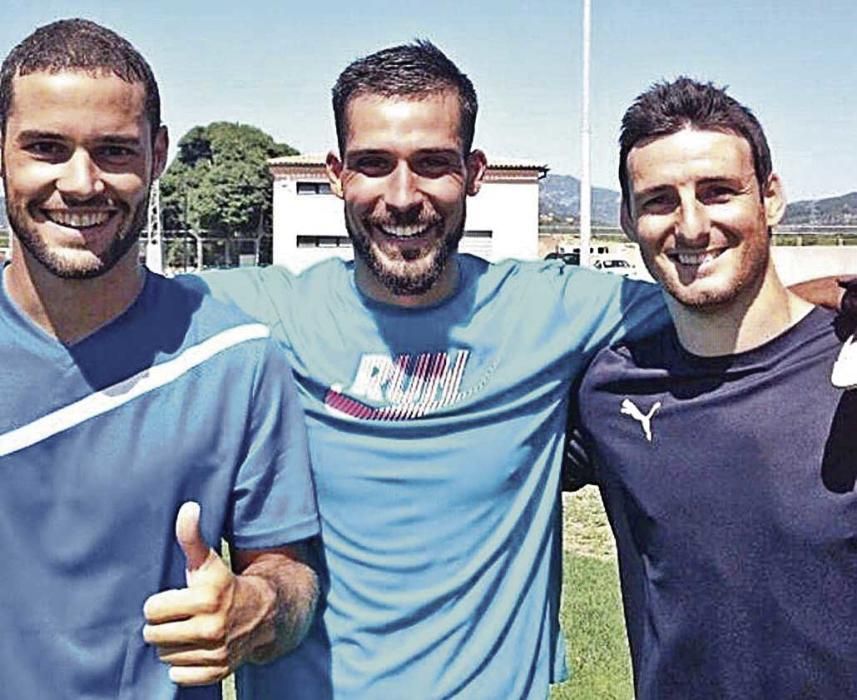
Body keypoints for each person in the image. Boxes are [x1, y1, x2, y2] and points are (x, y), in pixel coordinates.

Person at [191, 40, 670, 699]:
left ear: (474, 171)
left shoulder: (550, 308)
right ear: (336, 173)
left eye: (432, 164)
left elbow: (740, 308)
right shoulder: (264, 311)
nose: (402, 195)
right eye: (373, 164)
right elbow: (95, 304)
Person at [0, 18, 319, 698]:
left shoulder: (238, 359)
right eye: (46, 148)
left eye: (114, 150)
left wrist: (257, 607)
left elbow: (290, 576)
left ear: (158, 155)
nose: (82, 183)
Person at [572, 77, 857, 699]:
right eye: (659, 201)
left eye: (718, 192)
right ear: (627, 219)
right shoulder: (606, 392)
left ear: (772, 197)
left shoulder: (850, 368)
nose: (692, 226)